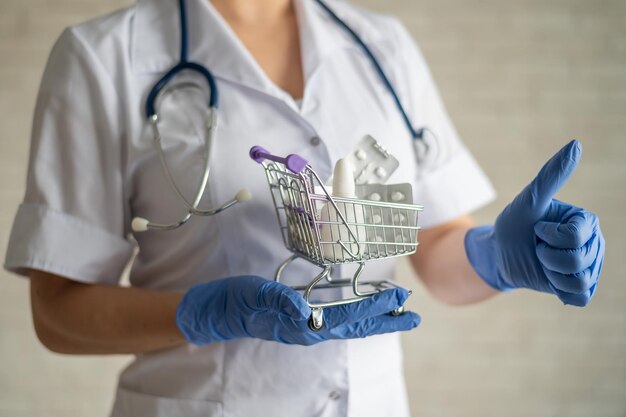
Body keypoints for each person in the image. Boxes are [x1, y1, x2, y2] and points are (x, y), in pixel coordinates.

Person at [4, 0, 605, 416]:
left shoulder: (382, 48)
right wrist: (207, 313)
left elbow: (437, 247)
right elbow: (57, 313)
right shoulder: (103, 57)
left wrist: (498, 255)